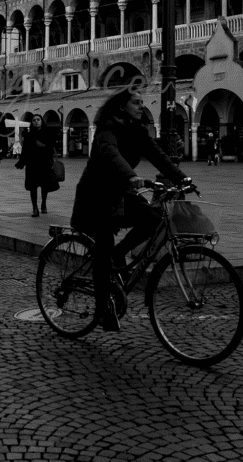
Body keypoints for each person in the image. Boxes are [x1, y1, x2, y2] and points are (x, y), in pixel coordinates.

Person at [71, 87, 189, 332]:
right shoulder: (106, 129)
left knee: (154, 219)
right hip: (94, 198)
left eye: (142, 102)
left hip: (120, 195)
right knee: (103, 243)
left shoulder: (138, 132)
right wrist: (131, 176)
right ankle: (102, 308)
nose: (140, 106)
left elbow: (158, 156)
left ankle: (120, 253)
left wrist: (182, 179)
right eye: (136, 102)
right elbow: (110, 154)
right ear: (122, 106)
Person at [15, 114, 56, 217]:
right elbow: (25, 150)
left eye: (38, 119)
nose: (36, 121)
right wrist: (21, 162)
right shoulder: (28, 135)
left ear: (41, 121)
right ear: (32, 122)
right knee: (33, 186)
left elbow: (52, 148)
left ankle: (43, 204)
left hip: (44, 163)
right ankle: (35, 208)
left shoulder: (47, 133)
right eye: (34, 120)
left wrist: (43, 146)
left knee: (44, 185)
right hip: (32, 164)